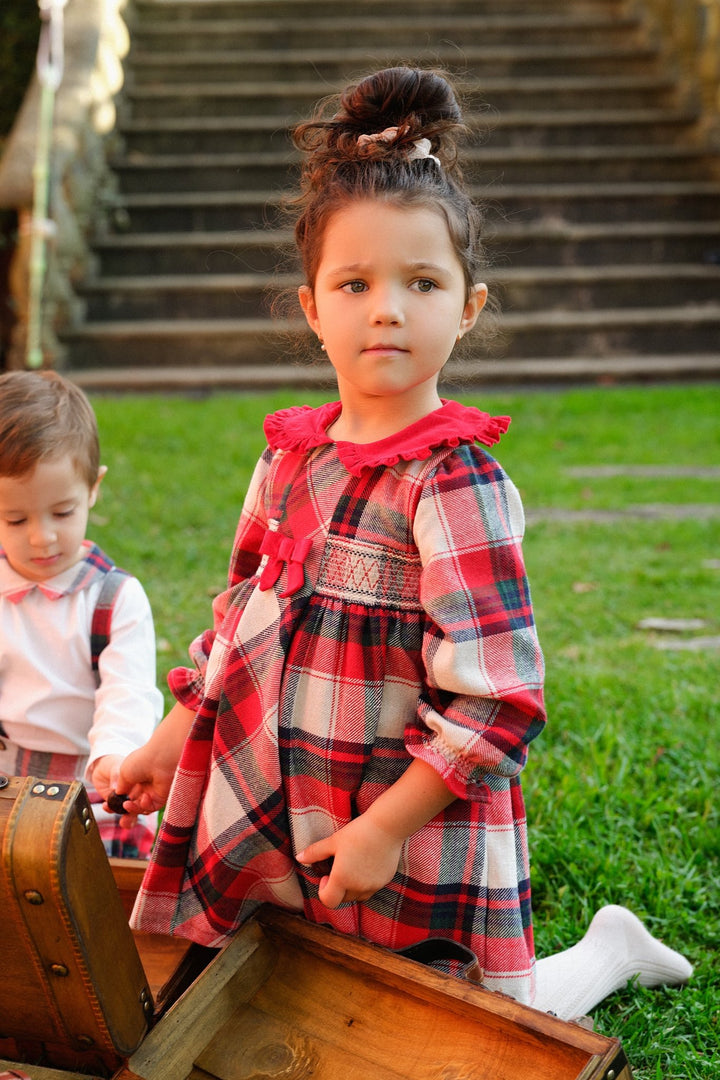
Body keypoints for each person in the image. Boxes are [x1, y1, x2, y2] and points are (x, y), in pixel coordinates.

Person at [114, 66, 692, 1017]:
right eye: (356, 282)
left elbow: (501, 699)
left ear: (467, 307)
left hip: (402, 821)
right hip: (279, 798)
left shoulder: (453, 483)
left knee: (453, 1020)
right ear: (312, 307)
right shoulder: (289, 460)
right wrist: (171, 735)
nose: (387, 307)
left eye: (421, 282)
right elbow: (238, 625)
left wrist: (386, 828)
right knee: (290, 1003)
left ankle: (607, 953)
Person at [0, 369, 163, 858]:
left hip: (89, 779)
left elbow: (127, 693)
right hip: (5, 774)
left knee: (92, 890)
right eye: (15, 518)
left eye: (62, 512)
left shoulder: (114, 599)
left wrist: (114, 756)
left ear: (93, 487)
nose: (42, 536)